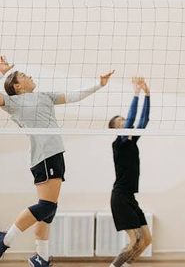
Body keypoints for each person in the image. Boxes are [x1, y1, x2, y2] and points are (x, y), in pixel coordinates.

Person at [0, 55, 114, 267]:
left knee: (49, 211)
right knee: (46, 206)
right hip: (45, 156)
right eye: (24, 75)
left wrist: (99, 84)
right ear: (17, 86)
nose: (30, 76)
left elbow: (74, 95)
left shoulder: (44, 96)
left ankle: (41, 258)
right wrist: (3, 72)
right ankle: (4, 240)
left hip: (53, 154)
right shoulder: (13, 102)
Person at [107, 77, 153, 267]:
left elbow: (143, 120)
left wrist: (147, 94)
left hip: (129, 197)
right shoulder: (119, 143)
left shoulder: (131, 140)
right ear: (116, 129)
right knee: (134, 240)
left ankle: (124, 265)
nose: (125, 121)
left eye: (124, 119)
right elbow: (132, 121)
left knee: (146, 240)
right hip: (119, 197)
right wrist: (135, 93)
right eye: (121, 121)